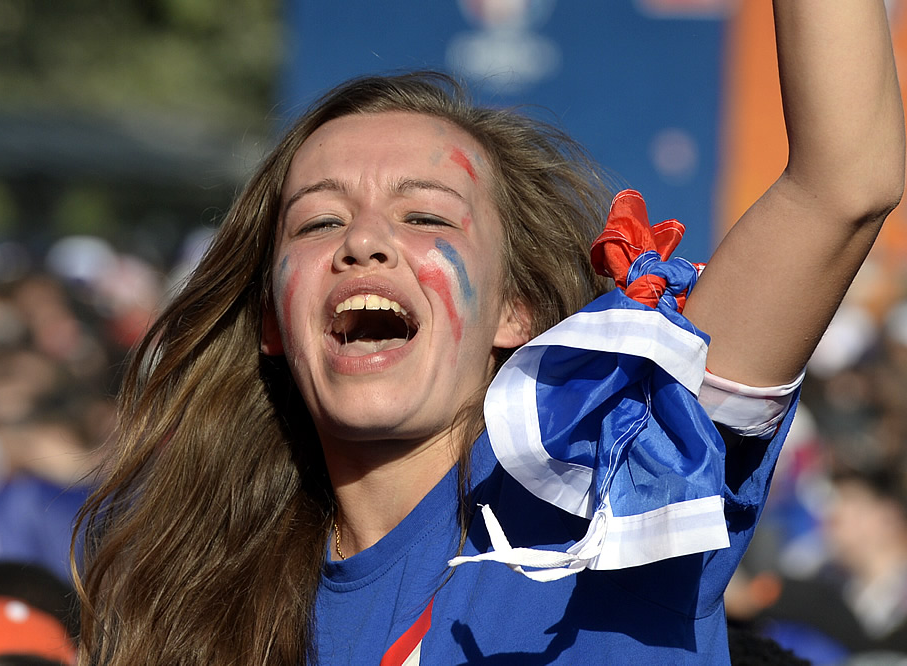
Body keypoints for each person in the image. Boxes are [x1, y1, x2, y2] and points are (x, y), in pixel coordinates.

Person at [74, 1, 905, 663]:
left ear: (516, 312)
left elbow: (845, 181)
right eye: (320, 221)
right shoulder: (188, 600)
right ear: (271, 323)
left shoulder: (619, 474)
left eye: (425, 214)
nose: (363, 241)